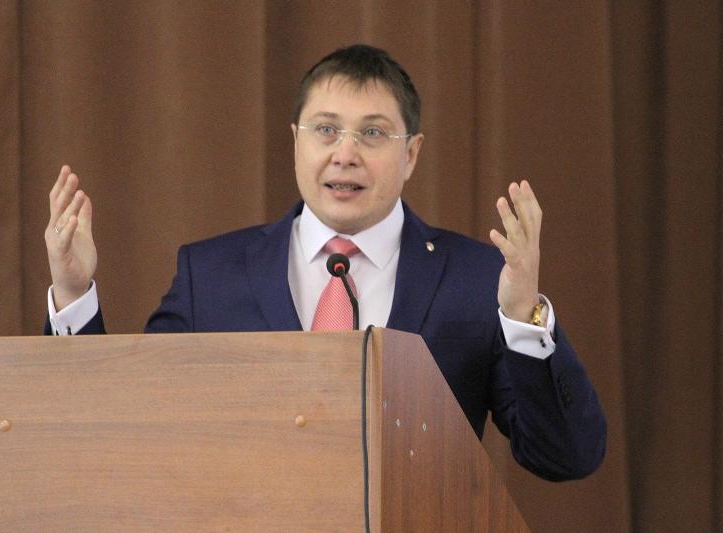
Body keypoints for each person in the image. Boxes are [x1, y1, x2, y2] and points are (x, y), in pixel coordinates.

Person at [43, 44, 605, 481]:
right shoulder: (209, 276)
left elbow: (566, 457)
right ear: (296, 141)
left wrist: (523, 315)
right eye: (327, 130)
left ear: (411, 154)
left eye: (373, 133)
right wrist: (73, 294)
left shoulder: (475, 278)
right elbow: (120, 428)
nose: (345, 153)